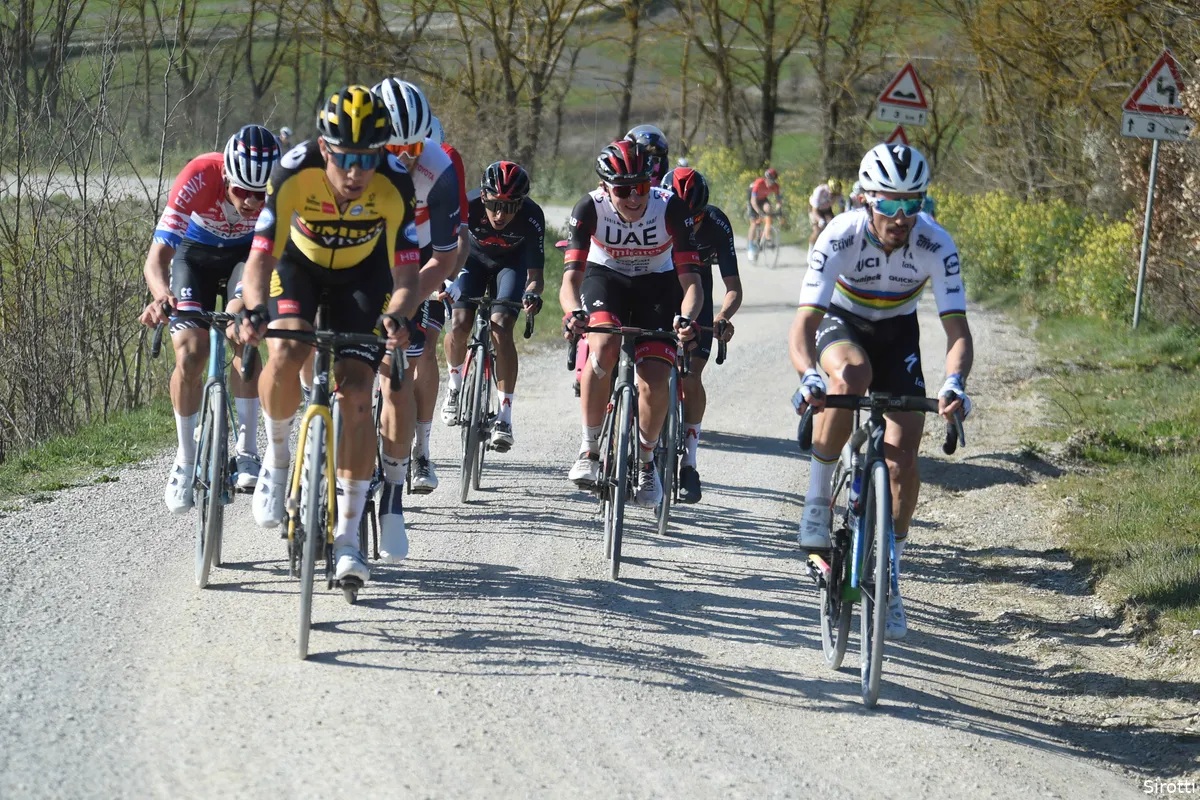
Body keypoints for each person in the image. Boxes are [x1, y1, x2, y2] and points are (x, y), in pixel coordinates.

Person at [788, 143, 973, 640]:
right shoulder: (840, 233)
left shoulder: (936, 243)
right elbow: (803, 327)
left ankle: (890, 572)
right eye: (889, 204)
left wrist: (954, 383)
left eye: (912, 204)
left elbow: (958, 334)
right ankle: (816, 500)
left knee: (903, 458)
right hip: (842, 324)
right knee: (849, 380)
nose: (900, 216)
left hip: (897, 335)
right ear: (867, 199)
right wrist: (809, 376)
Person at [238, 85, 422, 586]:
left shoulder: (395, 182)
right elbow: (261, 258)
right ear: (325, 149)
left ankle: (347, 538)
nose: (357, 172)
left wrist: (399, 317)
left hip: (363, 281)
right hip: (300, 268)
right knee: (287, 346)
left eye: (368, 158)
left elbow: (406, 278)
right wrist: (253, 308)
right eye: (346, 159)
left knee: (360, 392)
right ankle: (278, 460)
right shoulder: (293, 171)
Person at [139, 124, 280, 513]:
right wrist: (161, 295)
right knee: (190, 354)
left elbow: (275, 260)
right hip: (194, 256)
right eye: (242, 192)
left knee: (243, 334)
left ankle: (248, 450)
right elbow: (157, 258)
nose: (252, 202)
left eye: (261, 194)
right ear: (226, 176)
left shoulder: (280, 189)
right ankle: (185, 459)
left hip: (246, 259)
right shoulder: (199, 174)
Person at [560, 140, 703, 507]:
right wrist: (574, 313)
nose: (634, 198)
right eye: (623, 190)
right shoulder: (589, 208)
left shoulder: (670, 207)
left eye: (640, 187)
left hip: (658, 284)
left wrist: (687, 318)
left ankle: (644, 462)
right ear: (606, 188)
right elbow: (570, 282)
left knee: (656, 378)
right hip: (605, 277)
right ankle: (590, 449)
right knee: (603, 345)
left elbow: (692, 285)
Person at [372, 80, 465, 545]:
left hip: (423, 258)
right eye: (394, 145)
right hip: (362, 256)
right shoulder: (350, 163)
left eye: (414, 144)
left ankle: (404, 472)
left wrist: (409, 299)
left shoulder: (440, 168)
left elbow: (448, 254)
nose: (405, 155)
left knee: (404, 364)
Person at [442, 162, 545, 451]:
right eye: (495, 205)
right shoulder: (469, 204)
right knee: (460, 322)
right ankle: (453, 386)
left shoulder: (532, 216)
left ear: (521, 204)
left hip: (511, 265)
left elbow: (536, 277)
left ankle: (505, 416)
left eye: (511, 207)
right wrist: (447, 282)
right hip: (470, 262)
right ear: (484, 197)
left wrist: (532, 295)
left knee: (501, 326)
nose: (501, 215)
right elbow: (449, 250)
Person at [662, 167, 740, 503]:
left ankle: (690, 462)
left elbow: (733, 287)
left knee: (691, 375)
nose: (687, 223)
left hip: (700, 290)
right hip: (660, 285)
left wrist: (723, 315)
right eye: (680, 216)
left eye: (693, 217)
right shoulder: (651, 216)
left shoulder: (717, 224)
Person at [746, 168, 782, 261]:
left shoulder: (776, 186)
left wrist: (778, 209)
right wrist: (758, 211)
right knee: (754, 222)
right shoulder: (759, 183)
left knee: (768, 208)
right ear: (765, 178)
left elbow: (778, 201)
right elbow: (753, 201)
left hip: (762, 199)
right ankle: (750, 246)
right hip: (752, 198)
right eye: (769, 180)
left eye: (773, 181)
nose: (771, 183)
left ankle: (766, 233)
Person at [807, 176, 842, 253]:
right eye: (832, 193)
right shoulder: (820, 191)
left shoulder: (838, 194)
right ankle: (810, 250)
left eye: (835, 194)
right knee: (817, 230)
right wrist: (820, 220)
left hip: (827, 209)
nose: (833, 196)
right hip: (814, 209)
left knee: (834, 227)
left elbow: (842, 209)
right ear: (828, 189)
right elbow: (814, 211)